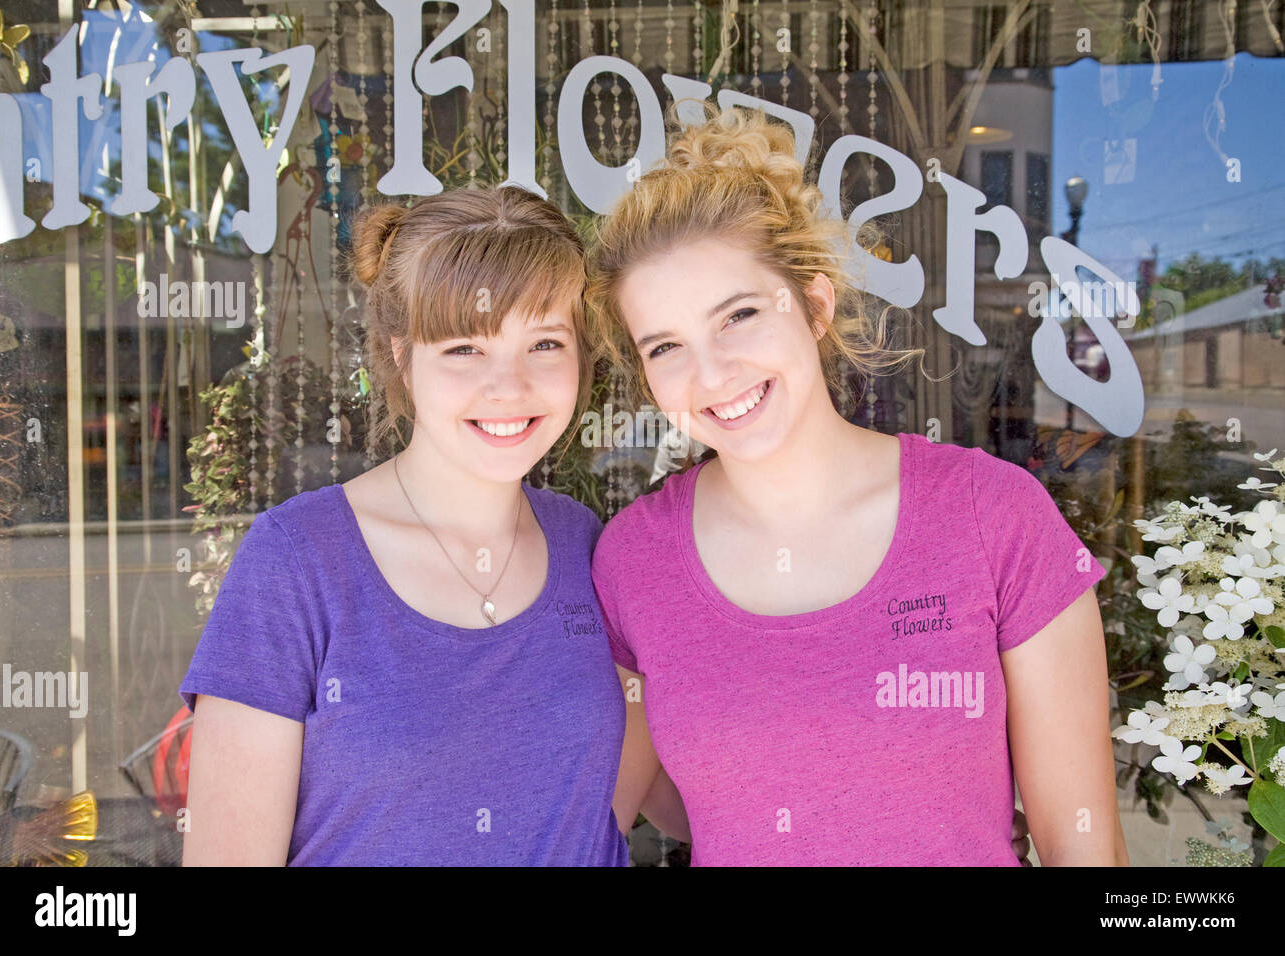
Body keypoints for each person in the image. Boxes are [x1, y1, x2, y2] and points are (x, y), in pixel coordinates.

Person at [584, 102, 1127, 866]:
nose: (711, 375)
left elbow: (1085, 852)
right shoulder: (633, 560)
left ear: (814, 303)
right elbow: (665, 808)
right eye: (666, 345)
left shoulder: (990, 516)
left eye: (738, 315)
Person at [178, 186, 662, 865]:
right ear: (402, 356)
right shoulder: (298, 562)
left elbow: (594, 818)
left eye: (545, 342)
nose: (509, 386)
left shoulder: (585, 544)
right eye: (465, 348)